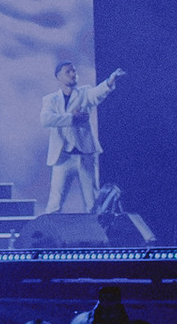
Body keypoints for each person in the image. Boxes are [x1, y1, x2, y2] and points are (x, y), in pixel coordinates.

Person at [39, 57, 123, 215]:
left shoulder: (84, 93)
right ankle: (48, 237)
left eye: (74, 71)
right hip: (62, 157)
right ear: (59, 77)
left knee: (92, 202)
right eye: (68, 72)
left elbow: (97, 94)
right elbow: (46, 119)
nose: (72, 74)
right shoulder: (51, 99)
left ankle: (97, 236)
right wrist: (71, 118)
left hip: (84, 155)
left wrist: (110, 81)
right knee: (55, 203)